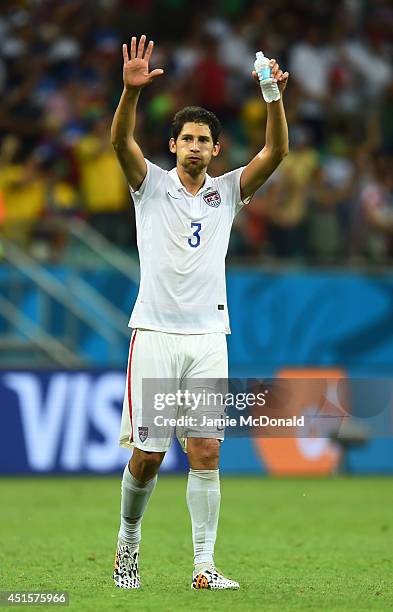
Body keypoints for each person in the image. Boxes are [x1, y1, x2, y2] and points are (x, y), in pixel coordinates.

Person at [111, 34, 289, 591]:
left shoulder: (230, 192)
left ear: (216, 150)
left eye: (203, 140)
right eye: (186, 138)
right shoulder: (152, 188)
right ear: (173, 145)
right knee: (147, 457)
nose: (194, 146)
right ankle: (128, 545)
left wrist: (273, 100)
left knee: (206, 449)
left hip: (211, 333)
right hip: (156, 333)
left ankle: (204, 567)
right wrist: (129, 95)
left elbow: (276, 154)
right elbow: (120, 143)